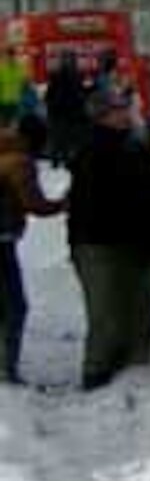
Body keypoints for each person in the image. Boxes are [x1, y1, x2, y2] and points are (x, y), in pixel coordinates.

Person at [69, 89, 150, 391]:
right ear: (103, 115)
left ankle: (119, 367)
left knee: (128, 306)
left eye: (125, 107)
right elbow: (107, 200)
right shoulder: (97, 150)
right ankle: (96, 371)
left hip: (120, 242)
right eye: (118, 109)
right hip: (98, 243)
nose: (125, 113)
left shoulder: (128, 146)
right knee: (106, 312)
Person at [0, 116, 67, 384]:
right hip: (2, 237)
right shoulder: (20, 162)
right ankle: (6, 366)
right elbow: (34, 204)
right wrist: (62, 204)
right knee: (14, 305)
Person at [45, 52, 89, 166]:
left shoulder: (56, 76)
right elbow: (80, 93)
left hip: (58, 111)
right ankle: (66, 157)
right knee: (68, 135)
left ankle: (56, 158)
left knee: (58, 135)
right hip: (71, 111)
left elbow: (49, 95)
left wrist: (50, 106)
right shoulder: (76, 76)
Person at [0, 45, 29, 127]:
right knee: (5, 124)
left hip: (16, 101)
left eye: (12, 55)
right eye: (9, 55)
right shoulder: (2, 69)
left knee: (15, 124)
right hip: (4, 102)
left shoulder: (21, 68)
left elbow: (25, 84)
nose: (11, 57)